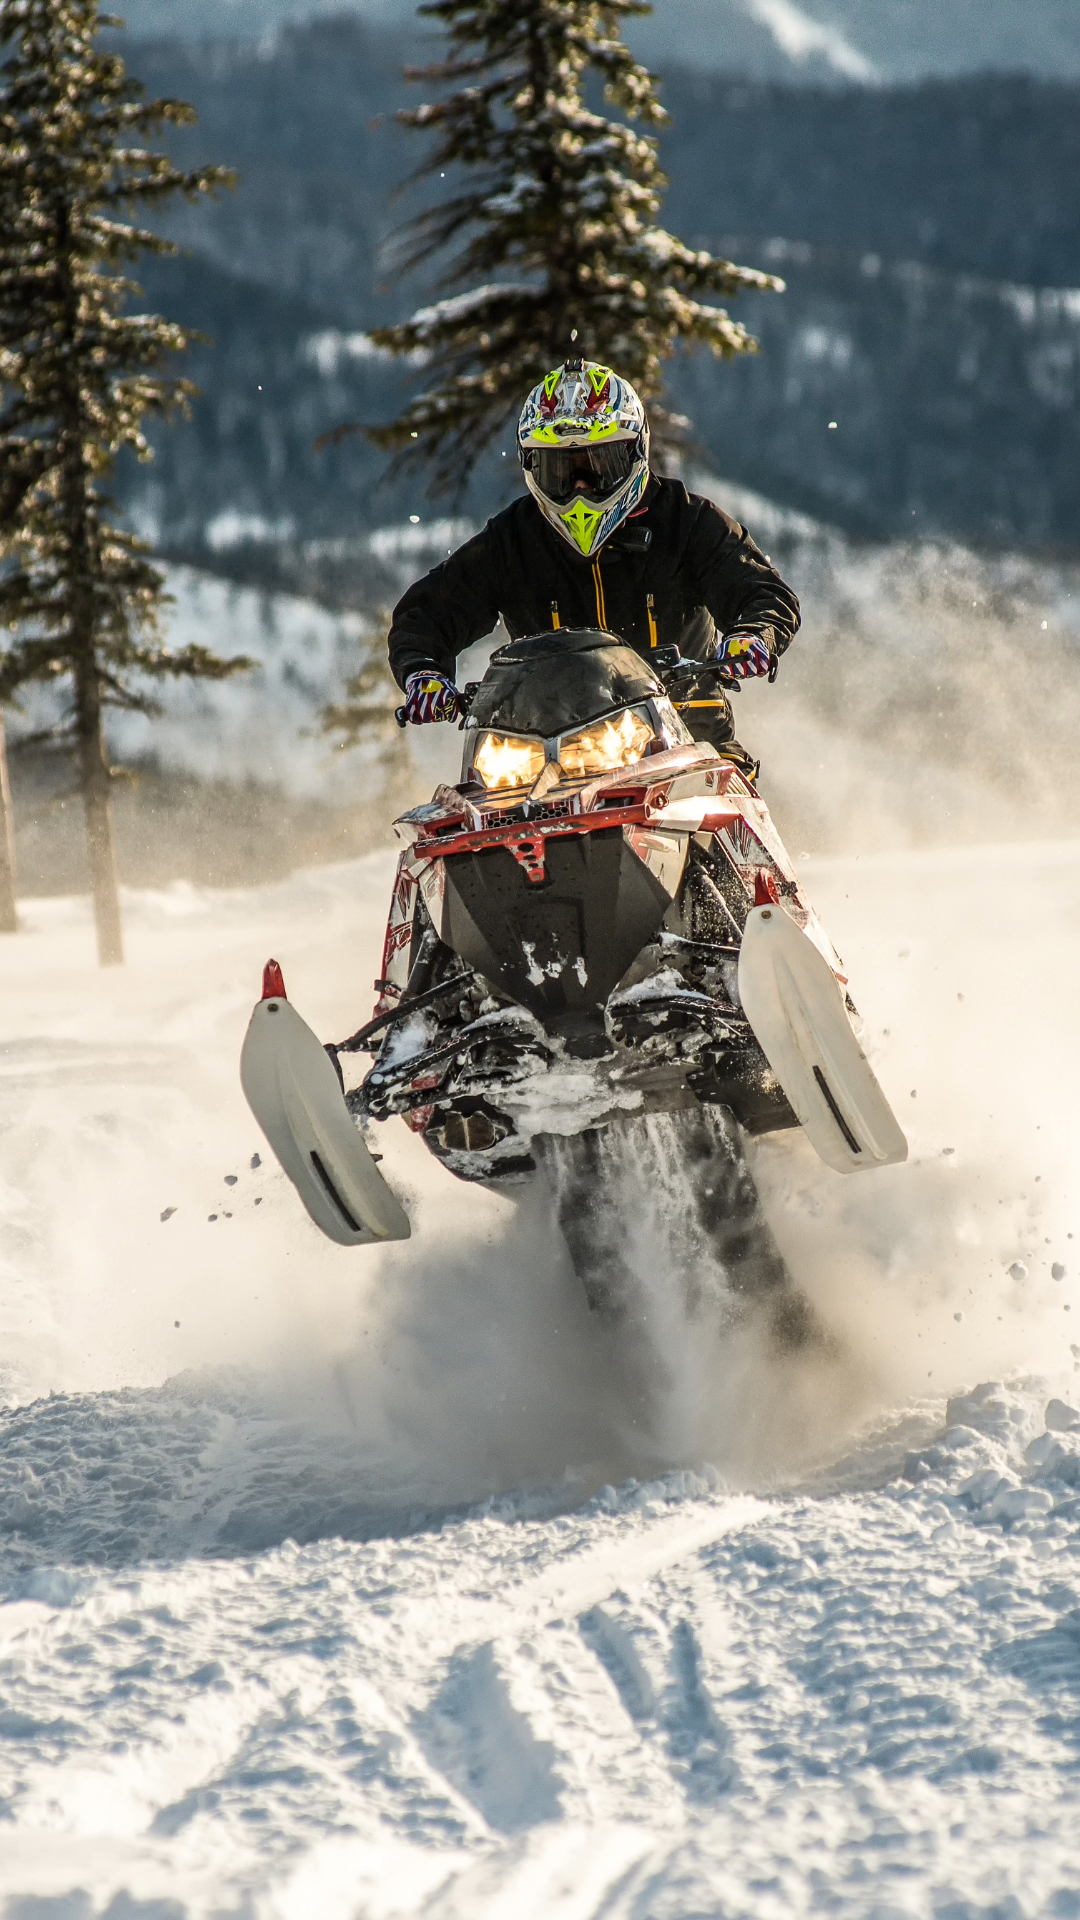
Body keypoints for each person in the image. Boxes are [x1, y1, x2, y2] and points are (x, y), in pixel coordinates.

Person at [387, 358, 799, 772]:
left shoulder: (686, 522)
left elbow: (762, 590)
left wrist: (754, 635)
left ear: (635, 452)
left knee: (724, 805)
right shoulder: (513, 540)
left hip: (690, 740)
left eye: (597, 466)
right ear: (531, 466)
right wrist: (424, 672)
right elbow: (427, 613)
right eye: (561, 470)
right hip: (546, 757)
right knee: (474, 813)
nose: (580, 487)